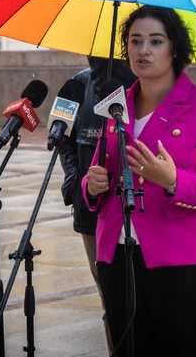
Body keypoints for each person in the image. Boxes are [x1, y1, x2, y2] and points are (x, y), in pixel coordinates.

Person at [83, 5, 196, 357]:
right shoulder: (116, 105)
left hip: (182, 261)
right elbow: (98, 171)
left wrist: (173, 181)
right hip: (119, 257)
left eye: (156, 41)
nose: (143, 50)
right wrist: (92, 186)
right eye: (135, 41)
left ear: (175, 48)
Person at [58, 55, 136, 354]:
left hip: (134, 209)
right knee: (111, 300)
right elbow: (62, 140)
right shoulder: (75, 85)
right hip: (91, 212)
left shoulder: (140, 82)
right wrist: (74, 181)